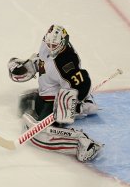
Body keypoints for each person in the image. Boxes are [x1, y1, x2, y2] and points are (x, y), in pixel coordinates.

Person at [7, 24, 103, 162]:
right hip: (45, 93)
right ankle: (85, 104)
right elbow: (43, 60)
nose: (51, 47)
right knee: (25, 102)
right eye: (49, 44)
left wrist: (72, 104)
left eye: (55, 45)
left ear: (63, 42)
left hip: (57, 100)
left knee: (40, 136)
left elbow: (83, 84)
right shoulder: (46, 44)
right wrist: (27, 66)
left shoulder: (67, 63)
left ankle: (84, 144)